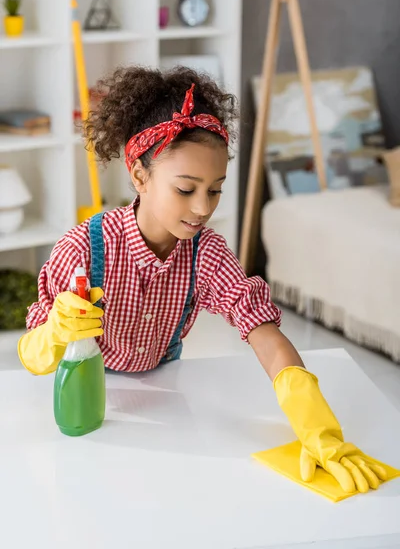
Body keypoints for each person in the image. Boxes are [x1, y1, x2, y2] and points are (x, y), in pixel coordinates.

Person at [18, 66, 387, 494]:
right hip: (94, 401)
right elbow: (33, 357)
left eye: (214, 190)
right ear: (139, 175)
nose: (202, 208)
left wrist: (314, 422)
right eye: (185, 189)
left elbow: (262, 330)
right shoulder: (83, 250)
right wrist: (54, 333)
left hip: (167, 388)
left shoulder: (205, 253)